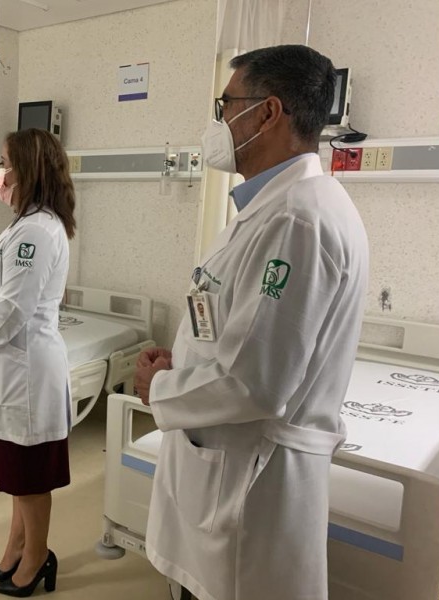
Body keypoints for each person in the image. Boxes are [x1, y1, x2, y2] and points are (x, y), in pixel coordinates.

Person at [134, 45, 369, 600]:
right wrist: (182, 361)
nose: (219, 123)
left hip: (251, 486)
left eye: (226, 105)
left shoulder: (297, 221)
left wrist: (159, 386)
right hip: (229, 469)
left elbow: (255, 381)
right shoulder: (273, 209)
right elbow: (238, 331)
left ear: (267, 113)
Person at [0, 128, 76, 597]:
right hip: (11, 366)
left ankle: (37, 557)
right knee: (16, 475)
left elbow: (12, 309)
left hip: (26, 374)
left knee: (29, 478)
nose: (0, 173)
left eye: (5, 163)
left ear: (28, 168)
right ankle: (15, 550)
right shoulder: (24, 225)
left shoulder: (38, 231)